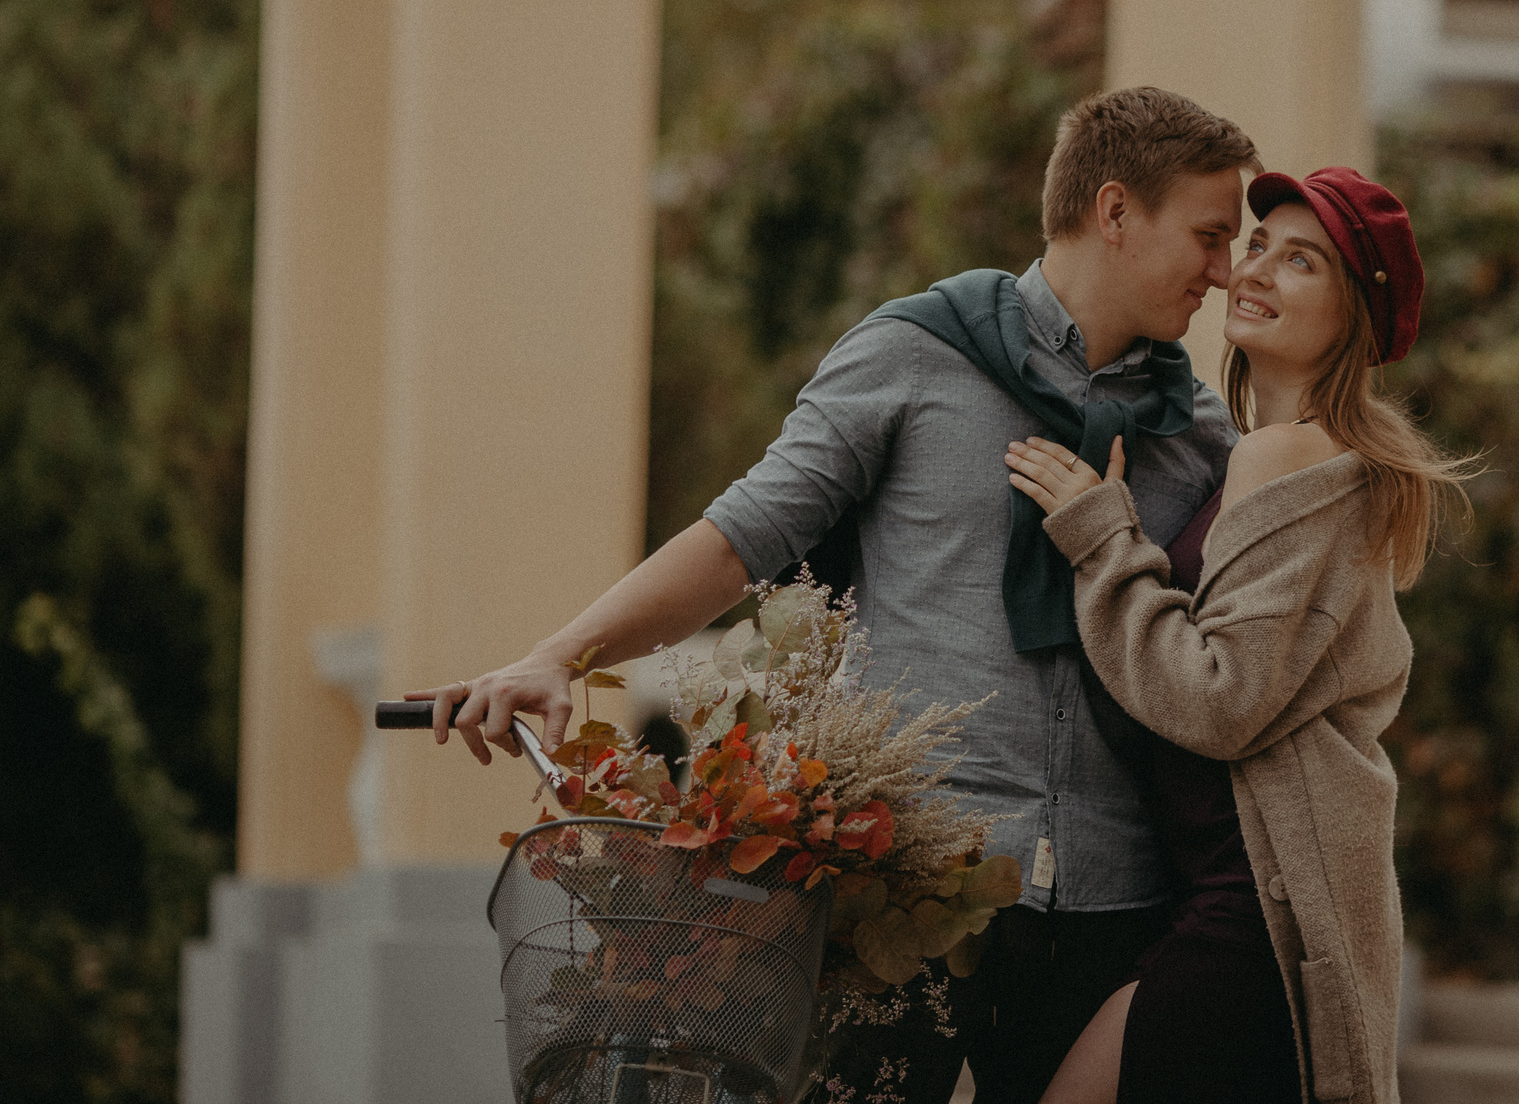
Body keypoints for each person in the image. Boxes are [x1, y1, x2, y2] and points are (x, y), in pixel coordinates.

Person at [409, 85, 1260, 1104]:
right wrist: (562, 656)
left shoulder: (1203, 434)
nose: (1224, 271)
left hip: (1116, 901)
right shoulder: (914, 353)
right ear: (1114, 211)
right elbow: (740, 538)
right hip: (911, 891)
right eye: (1209, 236)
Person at [1005, 166, 1471, 1104]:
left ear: (1355, 319)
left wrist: (1103, 538)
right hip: (1232, 892)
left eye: (1301, 262)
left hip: (1252, 904)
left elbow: (1218, 699)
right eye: (1257, 244)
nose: (1253, 269)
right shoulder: (1294, 457)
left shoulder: (1284, 454)